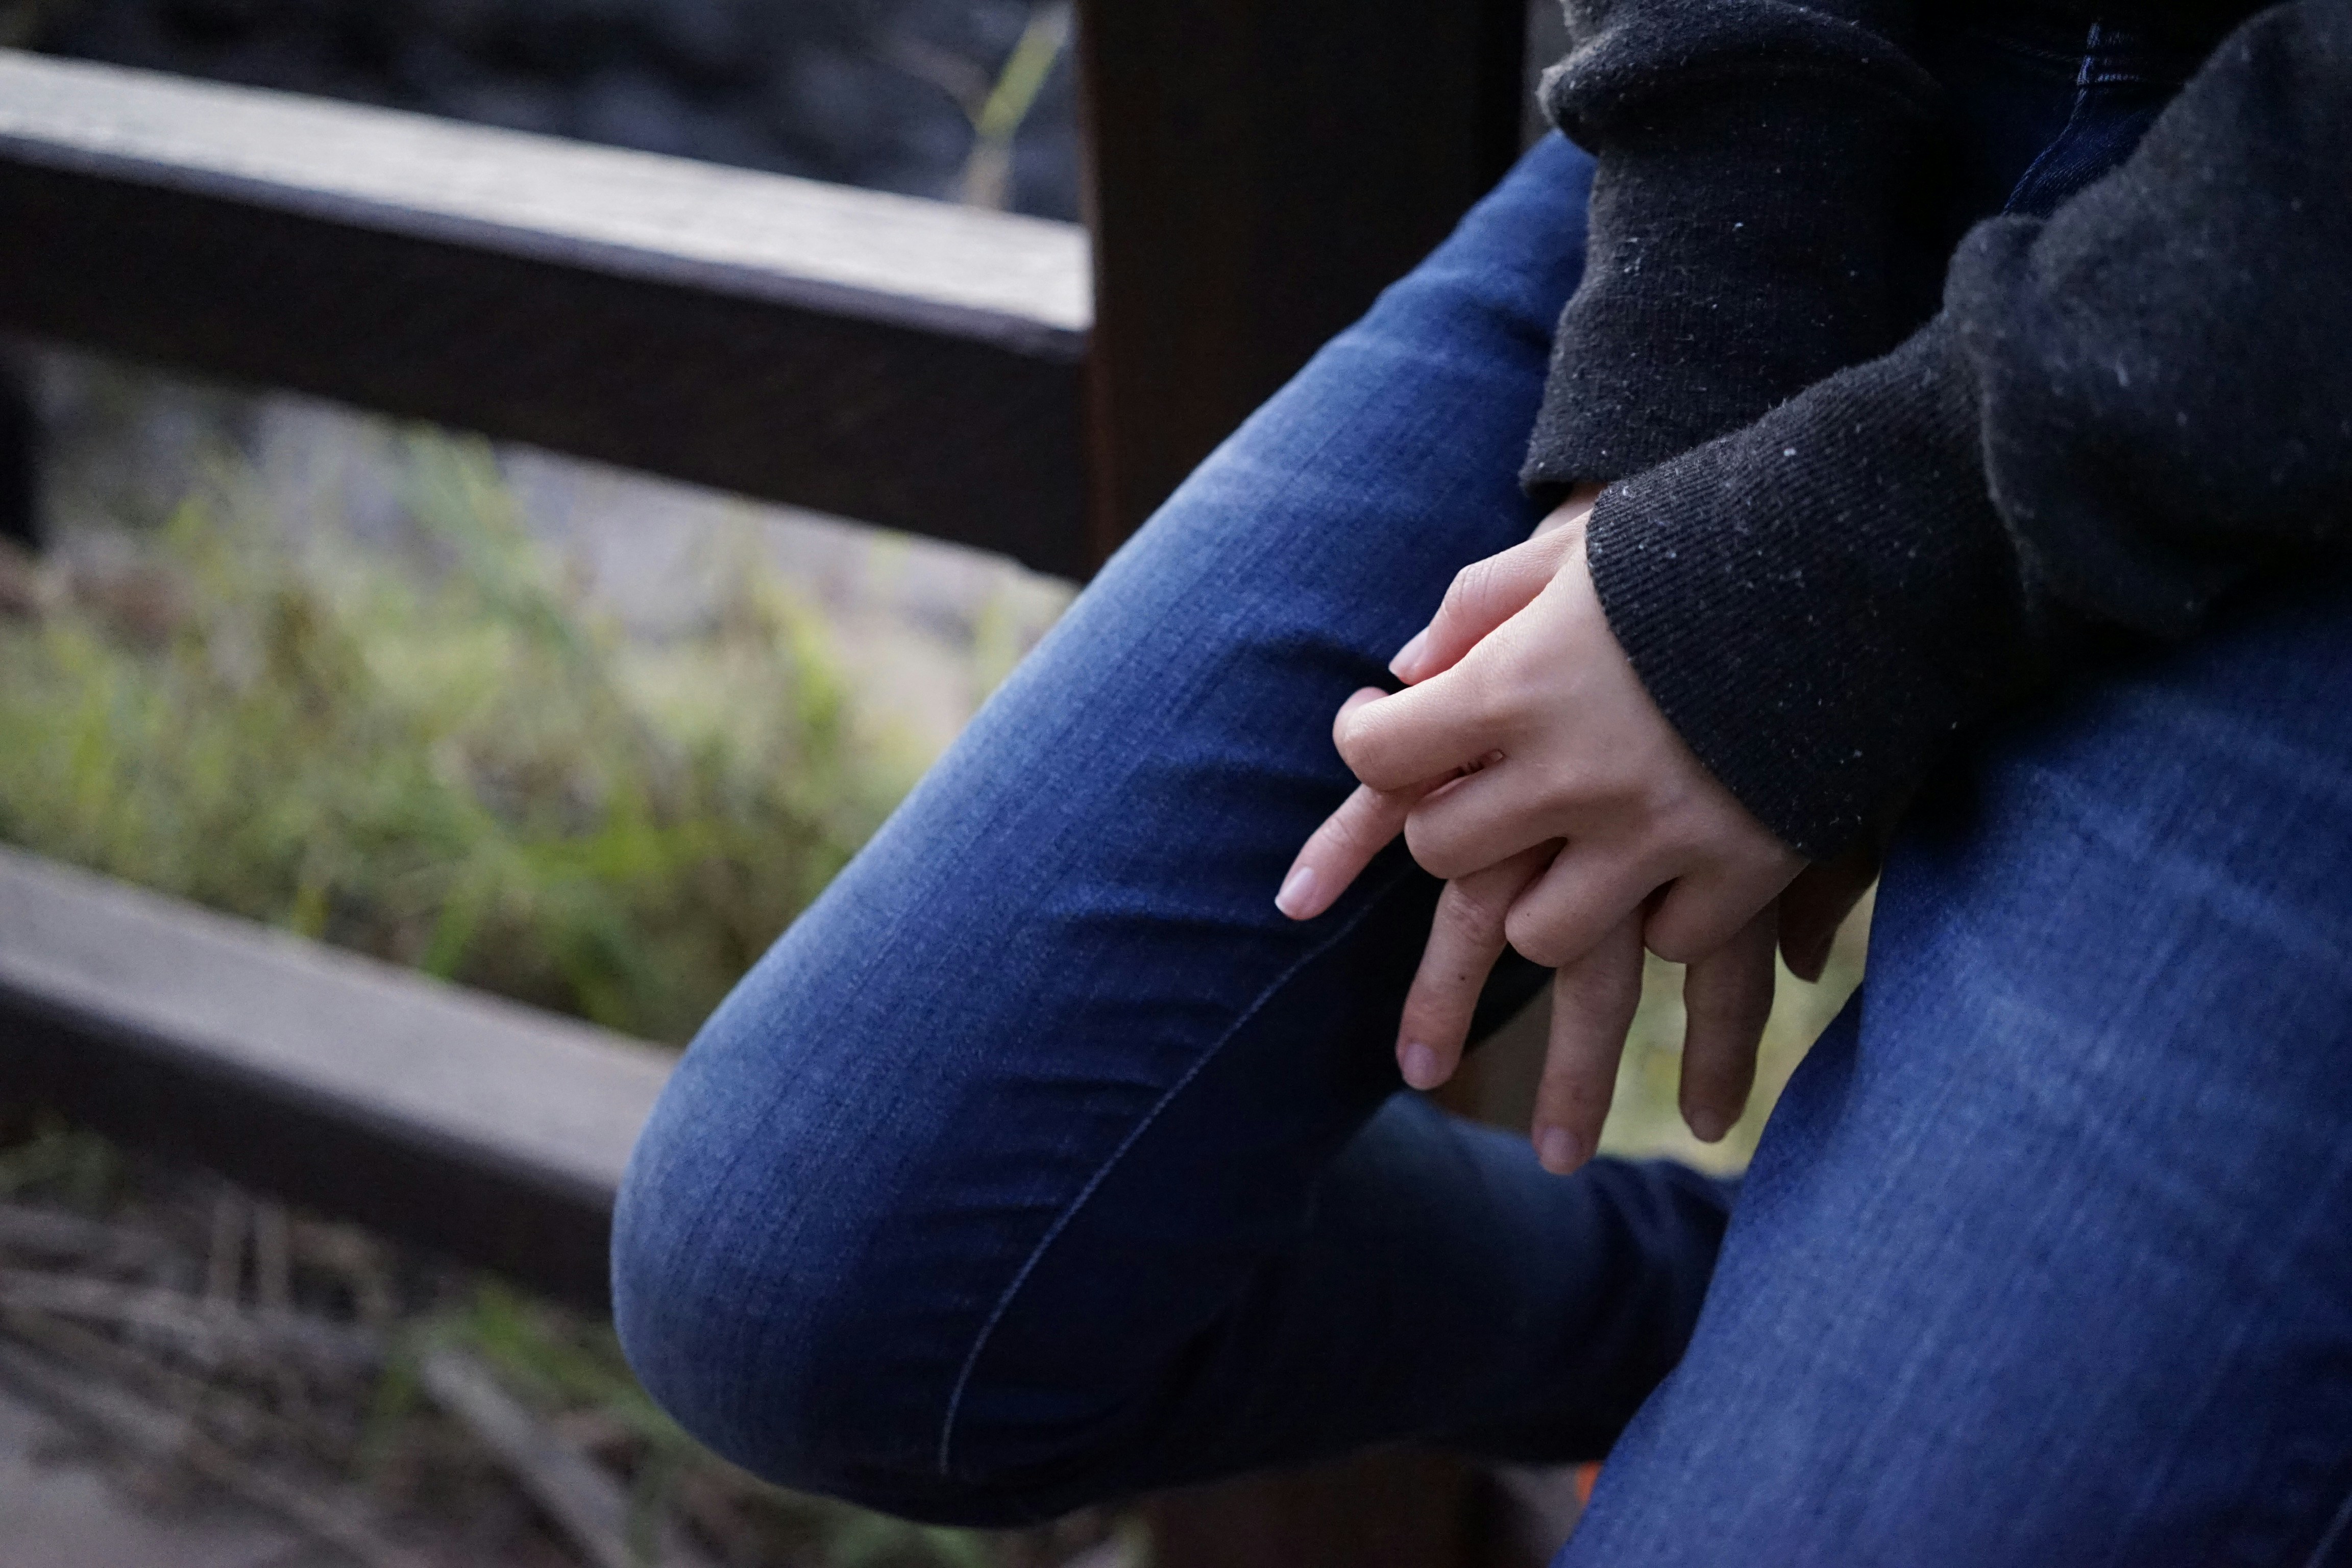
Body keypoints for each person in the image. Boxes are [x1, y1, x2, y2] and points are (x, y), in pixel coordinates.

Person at [612, 3, 2352, 1561]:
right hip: (1811, 114)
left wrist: (1812, 591)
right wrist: (1680, 402)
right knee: (801, 1285)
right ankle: (1753, 1334)